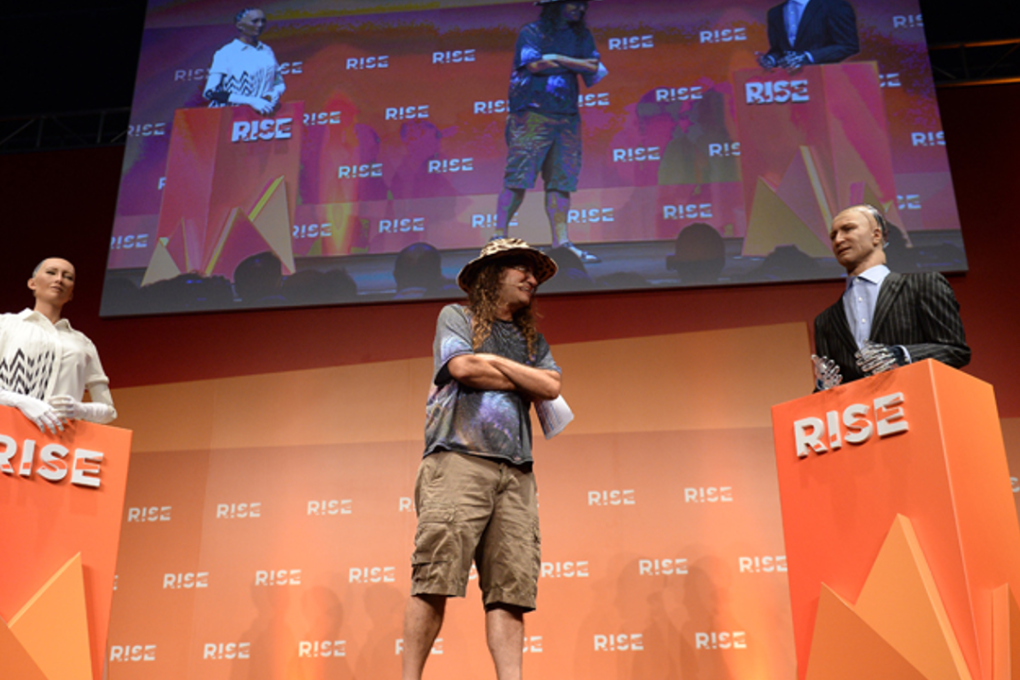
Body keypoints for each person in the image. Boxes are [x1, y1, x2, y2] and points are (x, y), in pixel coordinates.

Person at [402, 238, 561, 680]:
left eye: (534, 273)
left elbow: (550, 388)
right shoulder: (458, 316)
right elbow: (462, 369)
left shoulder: (532, 338)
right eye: (521, 270)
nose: (531, 279)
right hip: (459, 459)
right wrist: (519, 373)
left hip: (516, 472)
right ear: (493, 276)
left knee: (511, 592)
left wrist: (493, 360)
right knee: (434, 577)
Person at [495, 0, 605, 264]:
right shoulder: (532, 32)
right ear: (555, 6)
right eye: (573, 4)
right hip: (532, 114)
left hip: (566, 117)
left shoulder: (582, 35)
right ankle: (498, 239)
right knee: (518, 179)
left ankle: (562, 243)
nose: (580, 9)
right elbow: (534, 66)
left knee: (561, 182)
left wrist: (555, 59)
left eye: (583, 4)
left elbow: (595, 70)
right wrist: (575, 63)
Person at [813, 205, 970, 386]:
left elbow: (955, 350)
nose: (838, 240)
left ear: (876, 235)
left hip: (920, 403)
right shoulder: (825, 321)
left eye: (848, 229)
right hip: (861, 412)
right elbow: (830, 387)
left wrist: (901, 355)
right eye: (833, 236)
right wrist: (823, 385)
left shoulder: (923, 286)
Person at [0, 258, 117, 433]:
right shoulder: (6, 324)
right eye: (51, 272)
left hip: (56, 446)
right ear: (32, 283)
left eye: (68, 277)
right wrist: (21, 401)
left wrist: (80, 409)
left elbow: (108, 410)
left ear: (70, 294)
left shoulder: (82, 343)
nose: (59, 279)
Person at [203, 8, 285, 115]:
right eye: (255, 21)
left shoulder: (267, 51)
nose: (260, 25)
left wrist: (273, 95)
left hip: (259, 118)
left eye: (263, 21)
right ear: (240, 25)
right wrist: (251, 101)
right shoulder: (226, 53)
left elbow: (279, 82)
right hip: (228, 117)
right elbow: (210, 92)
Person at [757, 0, 859, 72]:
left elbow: (848, 45)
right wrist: (771, 59)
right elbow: (779, 49)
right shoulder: (775, 12)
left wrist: (808, 57)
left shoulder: (834, 5)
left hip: (826, 78)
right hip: (788, 85)